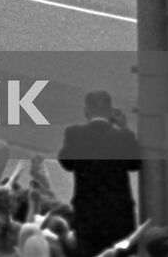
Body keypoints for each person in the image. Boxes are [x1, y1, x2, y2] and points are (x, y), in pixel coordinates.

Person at [57, 90, 140, 257]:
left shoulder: (75, 134)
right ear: (111, 111)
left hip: (88, 217)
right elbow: (135, 164)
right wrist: (124, 129)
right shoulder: (122, 137)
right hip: (119, 216)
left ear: (86, 111)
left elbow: (66, 163)